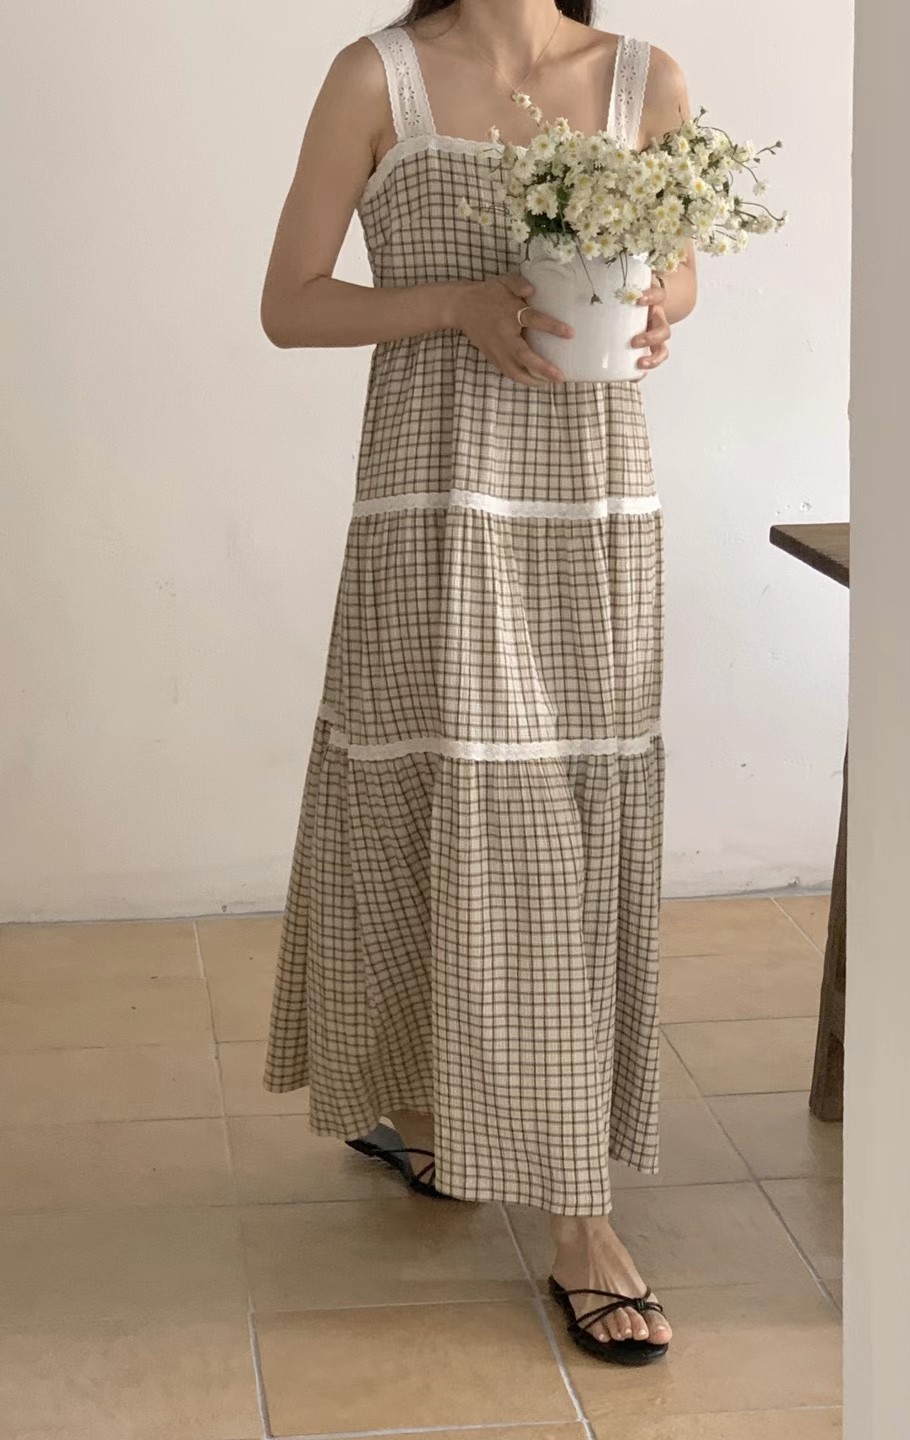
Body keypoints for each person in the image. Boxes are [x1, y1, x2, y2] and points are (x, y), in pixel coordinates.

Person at [260, 0, 697, 1366]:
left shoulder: (643, 80)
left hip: (593, 505)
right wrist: (454, 302)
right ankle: (451, 1119)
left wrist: (649, 307)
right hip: (433, 505)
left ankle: (577, 1209)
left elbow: (682, 276)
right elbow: (290, 302)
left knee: (568, 831)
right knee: (441, 812)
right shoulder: (375, 76)